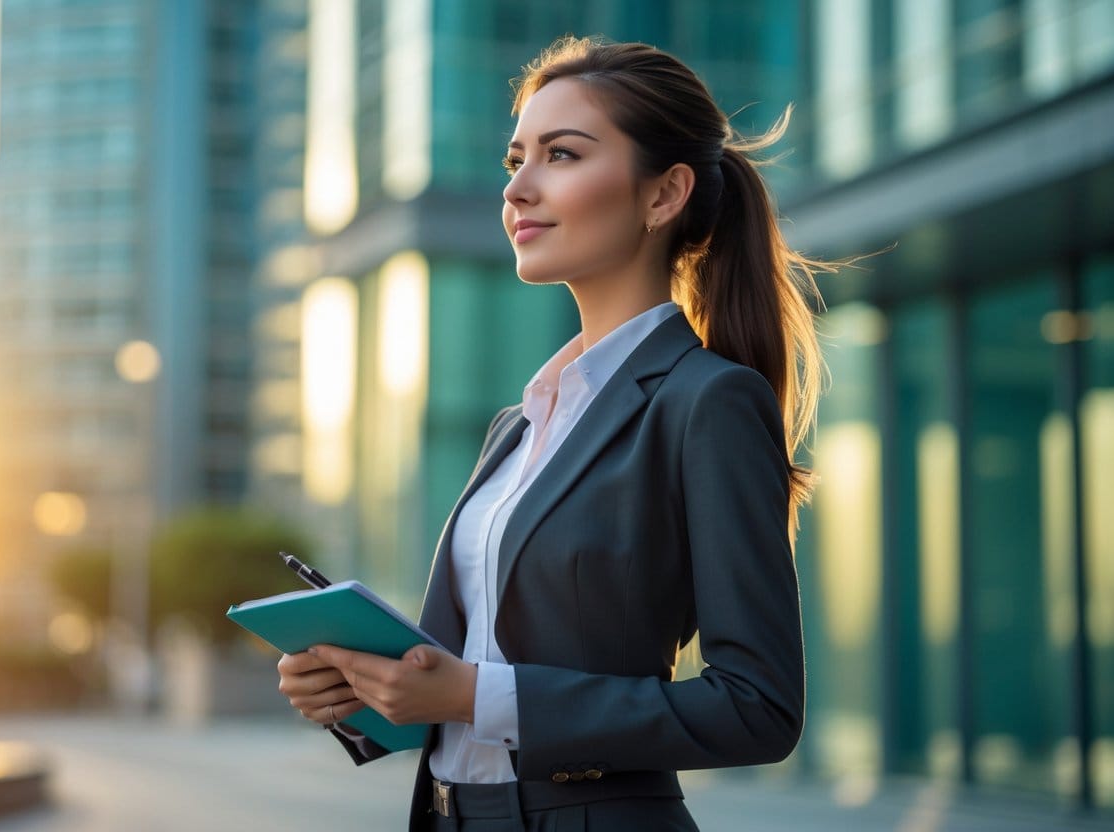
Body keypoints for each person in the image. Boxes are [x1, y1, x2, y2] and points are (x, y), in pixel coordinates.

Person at [278, 35, 834, 831]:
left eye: (561, 155)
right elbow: (458, 676)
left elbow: (757, 709)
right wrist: (353, 690)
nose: (517, 188)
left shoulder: (708, 401)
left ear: (663, 195)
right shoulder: (518, 425)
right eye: (515, 161)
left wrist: (473, 695)